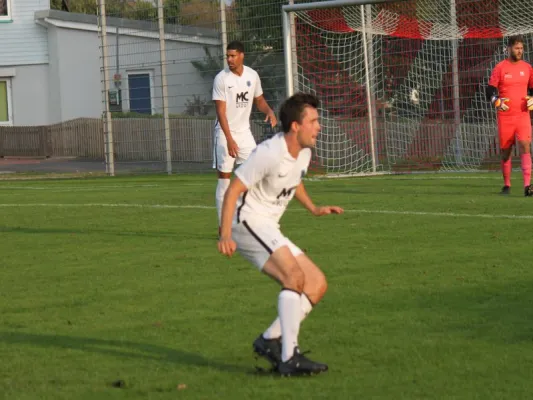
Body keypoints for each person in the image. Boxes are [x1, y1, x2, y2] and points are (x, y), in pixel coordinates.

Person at [217, 93, 344, 376]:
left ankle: (269, 340)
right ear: (295, 126)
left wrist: (313, 208)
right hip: (247, 221)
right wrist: (225, 234)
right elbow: (234, 189)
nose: (318, 127)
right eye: (313, 121)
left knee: (316, 283)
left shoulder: (305, 153)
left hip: (268, 225)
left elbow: (293, 181)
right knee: (294, 277)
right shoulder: (269, 152)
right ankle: (289, 356)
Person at [212, 40, 277, 233]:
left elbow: (259, 100)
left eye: (233, 56)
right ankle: (223, 227)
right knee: (224, 180)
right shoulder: (221, 79)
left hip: (244, 134)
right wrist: (230, 140)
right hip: (225, 135)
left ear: (242, 55)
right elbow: (221, 113)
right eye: (227, 56)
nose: (229, 59)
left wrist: (269, 111)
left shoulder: (252, 75)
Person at [487, 35, 533, 196]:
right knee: (506, 151)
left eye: (521, 48)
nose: (519, 51)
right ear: (509, 49)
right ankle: (506, 185)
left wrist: (532, 99)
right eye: (516, 48)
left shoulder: (527, 68)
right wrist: (496, 101)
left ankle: (528, 187)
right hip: (505, 117)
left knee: (525, 145)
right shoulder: (500, 68)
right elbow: (490, 90)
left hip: (522, 115)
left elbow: (532, 89)